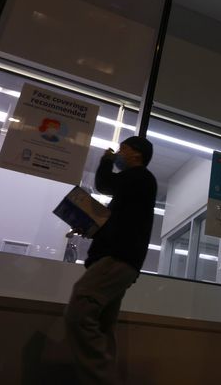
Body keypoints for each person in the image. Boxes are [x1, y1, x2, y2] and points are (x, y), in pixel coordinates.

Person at [64, 136, 157, 385]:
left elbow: (104, 183)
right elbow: (119, 223)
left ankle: (100, 378)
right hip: (122, 258)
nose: (117, 154)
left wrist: (105, 161)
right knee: (103, 325)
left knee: (80, 311)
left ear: (137, 154)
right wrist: (91, 226)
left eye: (122, 150)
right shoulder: (135, 187)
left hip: (117, 257)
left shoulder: (140, 177)